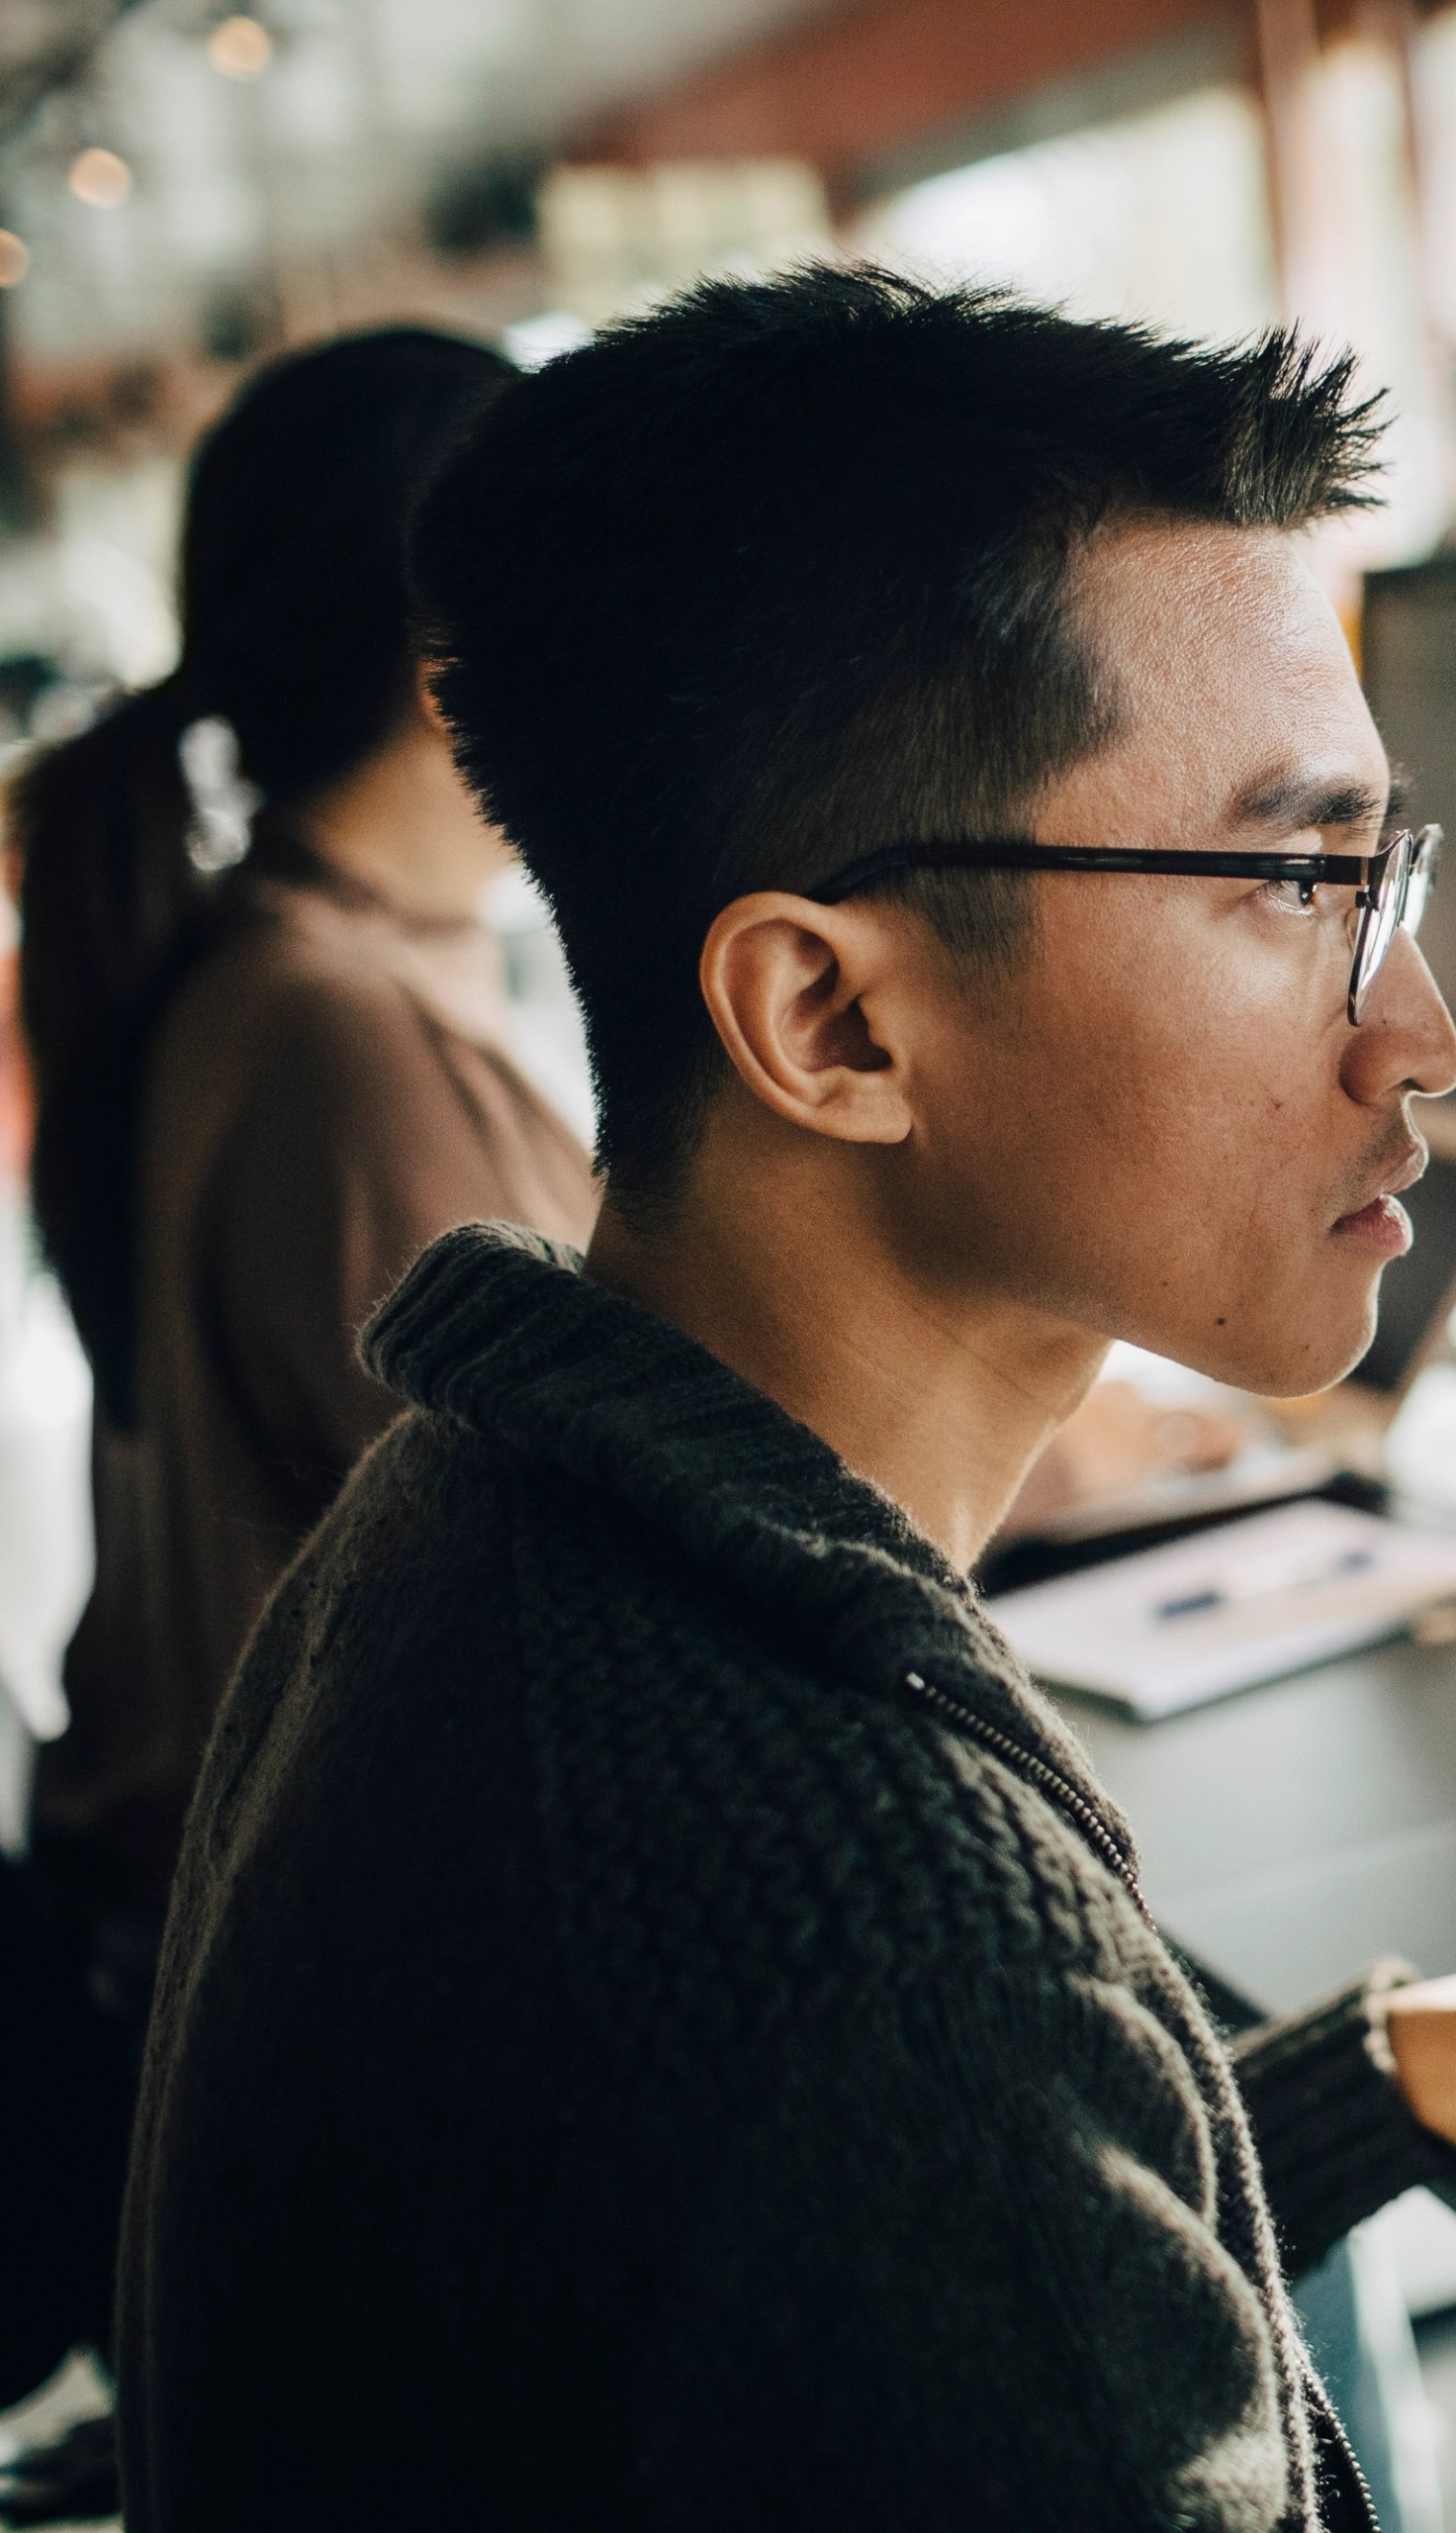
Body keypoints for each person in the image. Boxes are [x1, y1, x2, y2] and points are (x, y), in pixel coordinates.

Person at [117, 267, 1456, 2531]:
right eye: (1286, 877)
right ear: (832, 1024)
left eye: (1382, 866)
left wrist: (1368, 2083)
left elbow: (901, 2286)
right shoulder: (884, 1942)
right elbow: (895, 2087)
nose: (1419, 1027)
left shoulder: (463, 1524)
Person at [3, 328, 591, 2456]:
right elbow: (610, 1562)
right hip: (334, 2022)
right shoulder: (346, 1045)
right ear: (466, 636)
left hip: (204, 1949)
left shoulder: (280, 963)